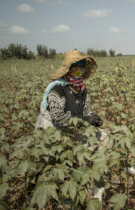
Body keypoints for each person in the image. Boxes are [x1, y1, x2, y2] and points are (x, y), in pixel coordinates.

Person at [35, 49, 105, 202]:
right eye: (75, 66)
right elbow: (58, 117)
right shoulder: (57, 89)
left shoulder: (82, 89)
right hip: (51, 131)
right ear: (67, 69)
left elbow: (86, 112)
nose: (79, 69)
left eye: (81, 66)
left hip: (69, 130)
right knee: (50, 166)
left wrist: (94, 119)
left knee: (101, 137)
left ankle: (88, 182)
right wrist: (86, 120)